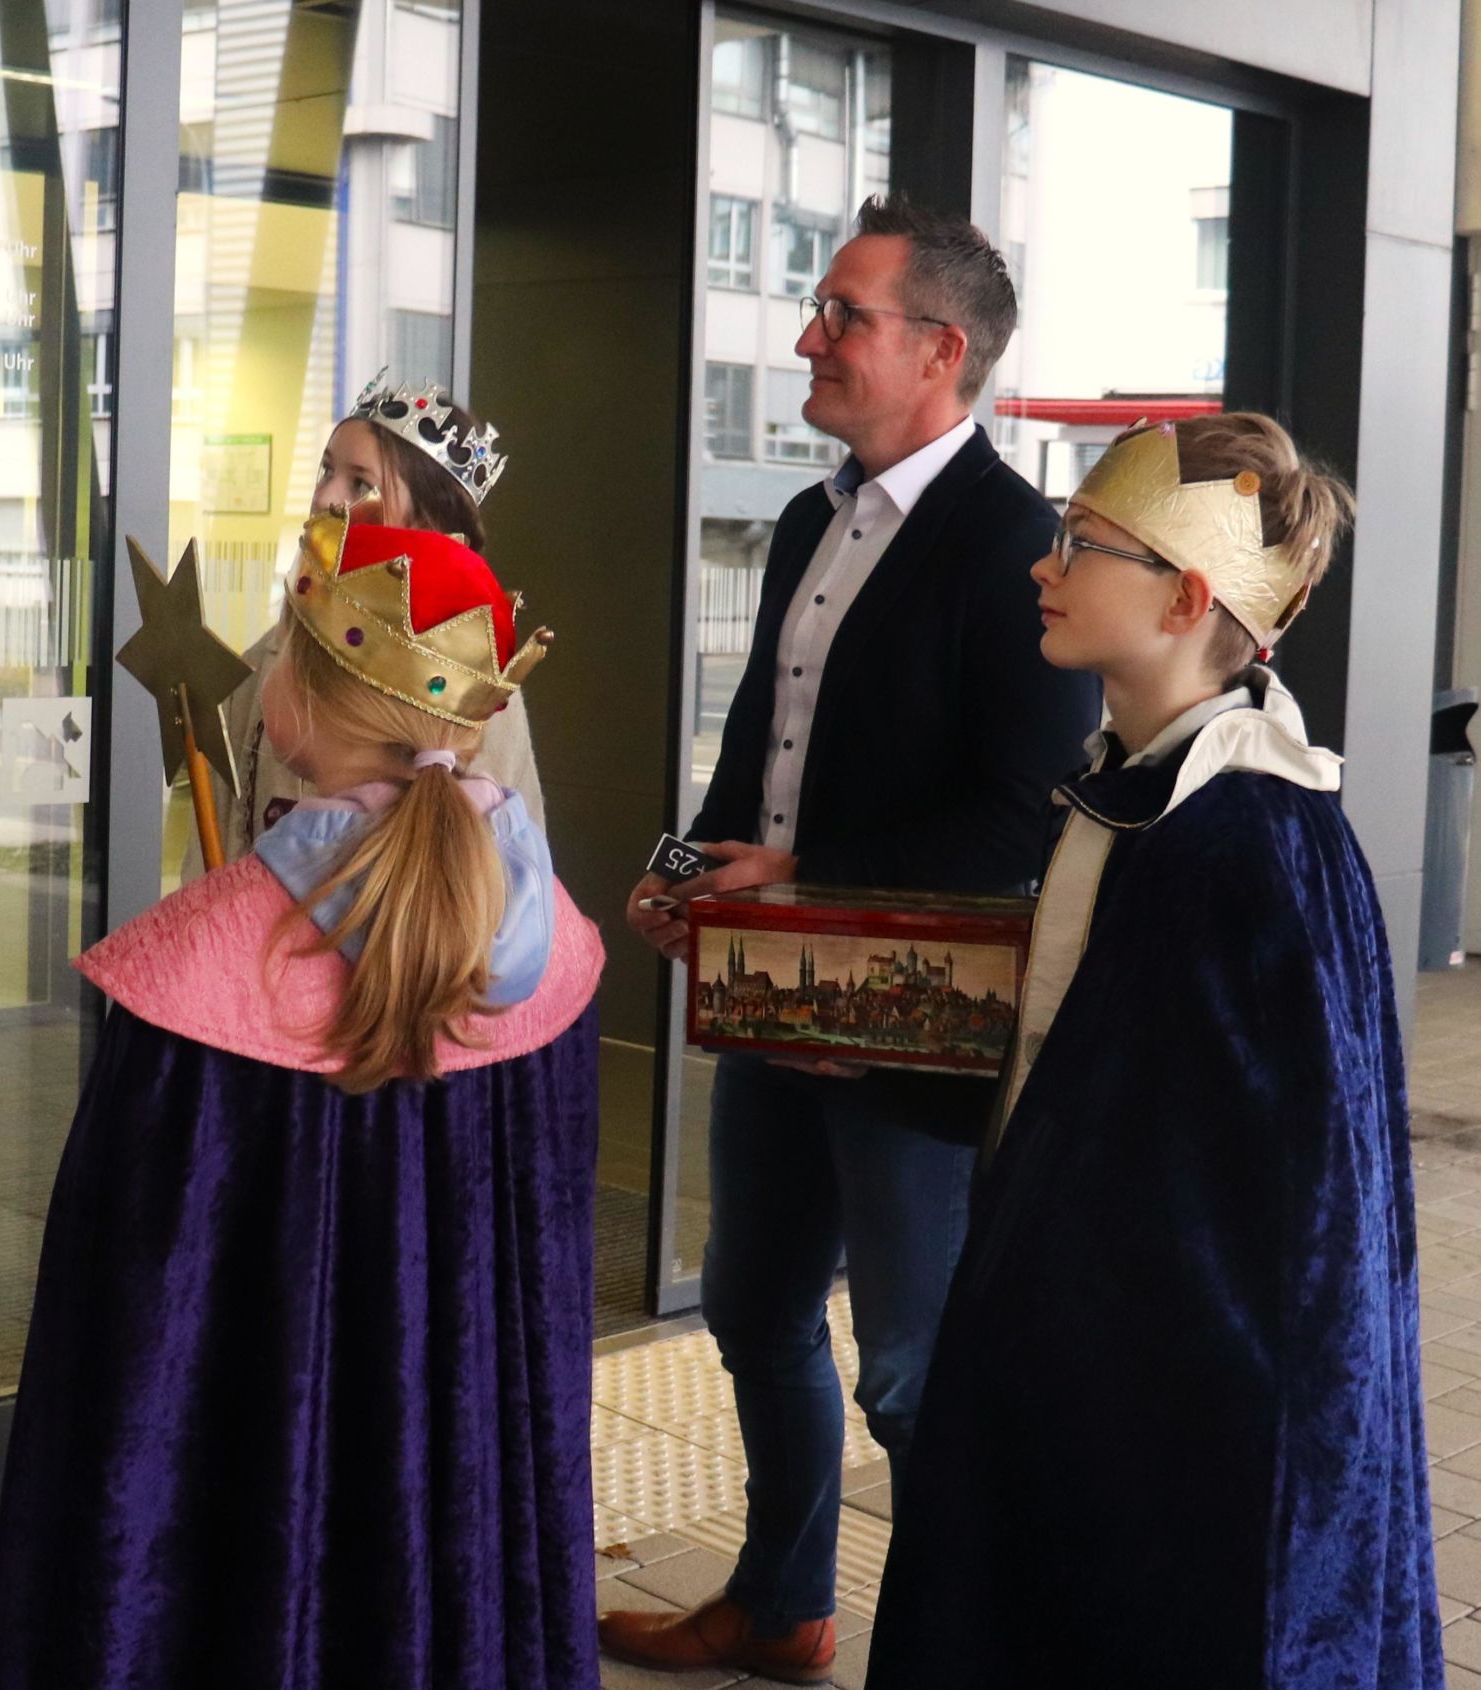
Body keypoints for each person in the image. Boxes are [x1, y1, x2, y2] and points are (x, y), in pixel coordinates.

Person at [0, 509, 603, 1688]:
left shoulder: (195, 964)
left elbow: (130, 1336)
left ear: (294, 702)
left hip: (255, 1520)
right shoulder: (550, 939)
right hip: (461, 1491)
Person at [603, 194, 1099, 1683]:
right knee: (752, 1311)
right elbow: (763, 730)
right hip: (774, 999)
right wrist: (687, 871)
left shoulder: (1024, 547)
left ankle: (958, 1645)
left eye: (843, 315)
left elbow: (1023, 819)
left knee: (908, 1369)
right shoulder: (813, 517)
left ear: (941, 351)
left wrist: (802, 872)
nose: (809, 336)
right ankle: (783, 1603)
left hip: (913, 1026)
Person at [867, 415, 1442, 1689]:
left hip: (1169, 1413)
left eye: (1082, 543)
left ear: (1187, 597)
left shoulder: (1248, 842)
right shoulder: (1135, 785)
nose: (1042, 562)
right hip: (1071, 1366)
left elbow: (1285, 1225)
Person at [197, 376, 543, 869]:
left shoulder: (473, 695)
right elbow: (217, 845)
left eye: (360, 483)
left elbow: (511, 866)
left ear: (426, 526)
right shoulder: (264, 664)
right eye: (325, 471)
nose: (324, 498)